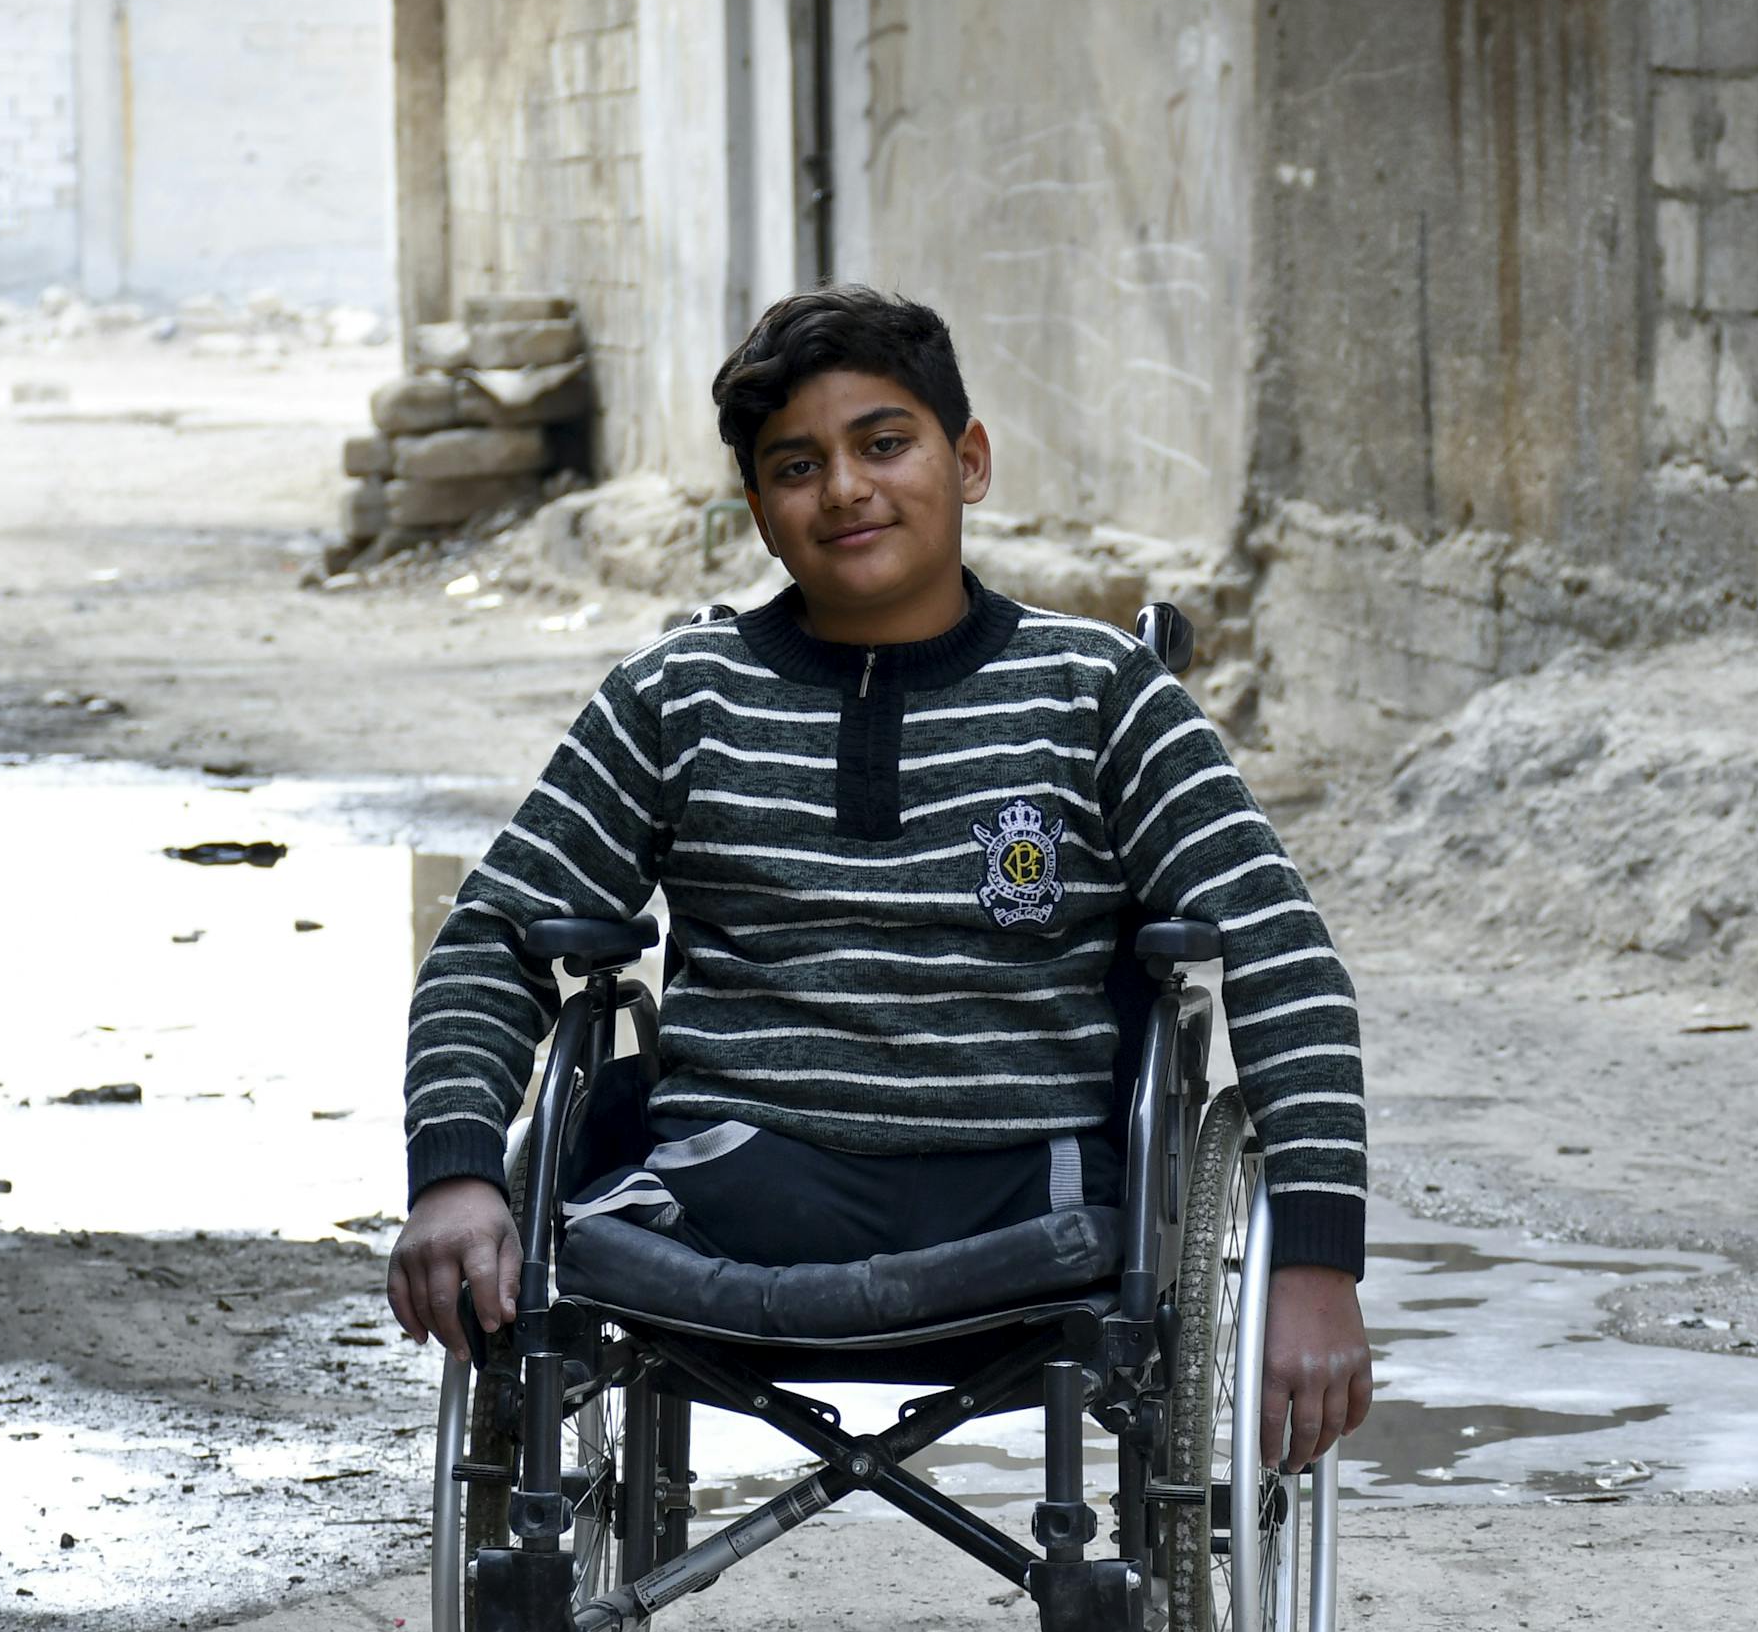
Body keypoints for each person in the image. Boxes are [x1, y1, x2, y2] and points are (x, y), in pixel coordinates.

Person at [387, 285, 1373, 1467]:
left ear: (968, 461)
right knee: (560, 1198)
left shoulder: (1099, 694)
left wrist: (1313, 1260)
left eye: (885, 444)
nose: (846, 487)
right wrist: (452, 1174)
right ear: (757, 510)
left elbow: (1280, 947)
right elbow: (495, 932)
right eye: (796, 465)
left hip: (1035, 1210)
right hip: (735, 1192)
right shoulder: (677, 697)